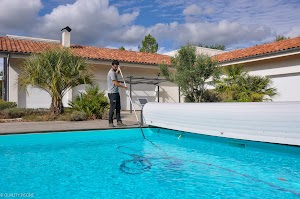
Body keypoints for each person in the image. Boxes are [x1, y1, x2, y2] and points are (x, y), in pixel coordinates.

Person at [107, 60, 128, 127]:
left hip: (116, 93)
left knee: (118, 108)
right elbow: (115, 83)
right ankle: (110, 123)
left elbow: (117, 73)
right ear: (112, 65)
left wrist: (119, 70)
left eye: (117, 66)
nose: (116, 68)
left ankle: (119, 122)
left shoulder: (114, 72)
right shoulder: (111, 73)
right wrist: (124, 87)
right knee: (112, 108)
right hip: (112, 93)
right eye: (115, 66)